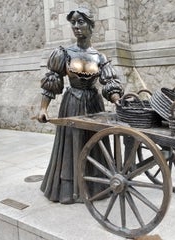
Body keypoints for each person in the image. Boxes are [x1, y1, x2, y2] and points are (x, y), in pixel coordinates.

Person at [37, 7, 124, 204]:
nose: (76, 26)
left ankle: (95, 186)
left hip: (94, 105)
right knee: (71, 144)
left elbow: (109, 83)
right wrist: (43, 108)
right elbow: (52, 81)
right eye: (73, 22)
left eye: (81, 22)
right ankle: (69, 189)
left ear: (91, 25)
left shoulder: (99, 57)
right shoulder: (64, 53)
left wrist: (118, 101)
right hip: (73, 103)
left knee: (95, 144)